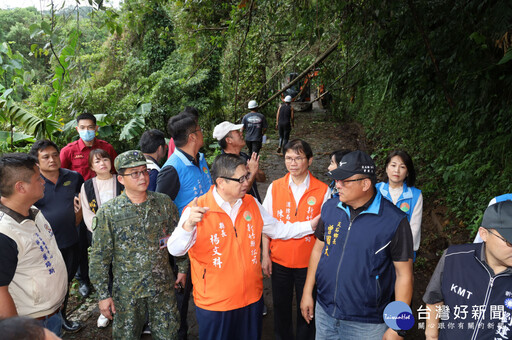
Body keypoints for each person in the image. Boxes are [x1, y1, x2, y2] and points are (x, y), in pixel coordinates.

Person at [168, 153, 321, 340]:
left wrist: (309, 226)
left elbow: (278, 229)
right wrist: (188, 226)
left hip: (251, 299)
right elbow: (175, 249)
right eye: (241, 179)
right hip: (215, 305)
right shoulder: (197, 209)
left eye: (247, 176)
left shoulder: (251, 203)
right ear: (221, 182)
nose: (246, 182)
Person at [300, 150, 414, 339]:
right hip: (325, 312)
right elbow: (318, 250)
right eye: (336, 180)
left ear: (365, 184)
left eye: (344, 181)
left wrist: (397, 326)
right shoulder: (330, 208)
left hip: (366, 323)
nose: (337, 185)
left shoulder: (394, 221)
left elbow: (404, 275)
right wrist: (307, 292)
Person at [89, 150, 185, 340]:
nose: (142, 177)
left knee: (169, 335)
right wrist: (103, 294)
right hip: (128, 293)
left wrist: (182, 268)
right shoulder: (109, 212)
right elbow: (99, 257)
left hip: (162, 286)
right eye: (135, 173)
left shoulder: (164, 203)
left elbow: (177, 238)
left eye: (144, 171)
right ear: (121, 179)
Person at [261, 139, 330, 340]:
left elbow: (325, 233)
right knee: (281, 306)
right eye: (288, 158)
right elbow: (266, 224)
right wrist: (265, 254)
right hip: (280, 260)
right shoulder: (275, 187)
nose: (292, 163)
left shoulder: (323, 190)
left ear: (309, 160)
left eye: (298, 158)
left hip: (309, 263)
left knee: (307, 307)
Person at [156, 112, 212, 340]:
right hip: (186, 244)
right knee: (182, 295)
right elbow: (159, 210)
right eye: (199, 129)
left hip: (208, 239)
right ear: (192, 136)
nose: (202, 133)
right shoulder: (172, 169)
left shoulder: (200, 158)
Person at [423, 200, 512, 340]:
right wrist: (431, 335)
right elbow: (434, 298)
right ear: (484, 234)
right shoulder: (453, 258)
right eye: (509, 242)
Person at [0, 153, 67, 336]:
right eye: (38, 178)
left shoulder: (34, 211)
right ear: (20, 187)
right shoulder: (4, 232)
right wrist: (20, 334)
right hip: (32, 325)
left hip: (50, 314)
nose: (44, 181)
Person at [60, 113, 117, 298]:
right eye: (83, 128)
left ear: (96, 128)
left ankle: (113, 278)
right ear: (77, 129)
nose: (87, 131)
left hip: (106, 200)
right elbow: (61, 176)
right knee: (81, 243)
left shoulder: (106, 148)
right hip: (81, 203)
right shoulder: (69, 150)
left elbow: (116, 172)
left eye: (90, 127)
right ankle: (83, 279)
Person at [29, 140, 84, 333]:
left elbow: (83, 201)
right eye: (45, 157)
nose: (52, 159)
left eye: (54, 154)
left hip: (71, 239)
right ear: (36, 162)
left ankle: (62, 317)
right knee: (48, 284)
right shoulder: (33, 182)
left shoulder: (74, 177)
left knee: (65, 282)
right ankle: (45, 322)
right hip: (44, 246)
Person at [79, 149, 123, 328]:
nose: (102, 163)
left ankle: (123, 307)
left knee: (122, 270)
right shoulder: (87, 186)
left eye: (105, 159)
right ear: (91, 166)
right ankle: (106, 310)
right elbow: (87, 212)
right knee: (104, 271)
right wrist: (99, 232)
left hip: (122, 234)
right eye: (97, 161)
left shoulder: (120, 180)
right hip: (98, 236)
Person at [376, 150, 423, 260]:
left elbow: (414, 229)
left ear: (407, 172)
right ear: (386, 168)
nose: (396, 170)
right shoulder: (375, 190)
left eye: (402, 167)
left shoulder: (415, 195)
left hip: (403, 253)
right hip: (377, 249)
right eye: (393, 165)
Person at [213, 121, 266, 202]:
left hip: (255, 205)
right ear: (229, 140)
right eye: (237, 132)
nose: (241, 133)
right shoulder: (224, 165)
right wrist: (251, 172)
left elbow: (262, 178)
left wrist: (254, 170)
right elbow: (241, 190)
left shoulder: (243, 156)